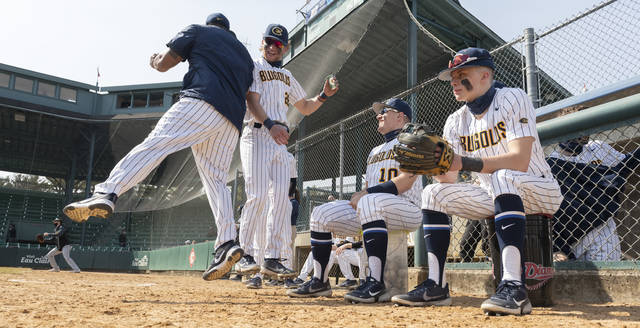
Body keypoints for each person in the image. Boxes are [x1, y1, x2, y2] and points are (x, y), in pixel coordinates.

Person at [62, 13, 254, 281]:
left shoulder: (198, 31)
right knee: (216, 181)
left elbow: (166, 63)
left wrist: (154, 62)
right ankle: (227, 243)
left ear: (212, 24)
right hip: (231, 122)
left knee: (155, 145)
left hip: (200, 102)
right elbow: (249, 93)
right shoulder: (245, 56)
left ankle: (107, 192)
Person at [391, 48, 563, 316]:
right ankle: (436, 285)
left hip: (538, 188)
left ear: (485, 75)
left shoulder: (512, 97)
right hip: (494, 194)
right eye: (452, 78)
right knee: (433, 193)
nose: (454, 82)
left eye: (462, 75)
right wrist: (432, 164)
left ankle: (514, 287)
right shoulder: (455, 121)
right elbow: (448, 179)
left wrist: (465, 163)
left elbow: (519, 160)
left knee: (504, 176)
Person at [288, 98, 422, 303]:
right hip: (374, 210)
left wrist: (366, 195)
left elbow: (406, 181)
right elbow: (368, 189)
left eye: (385, 111)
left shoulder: (412, 140)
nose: (379, 115)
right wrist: (361, 195)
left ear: (401, 116)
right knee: (320, 214)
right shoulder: (374, 152)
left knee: (370, 201)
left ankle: (375, 282)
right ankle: (320, 281)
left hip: (406, 207)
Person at [237, 23, 339, 289]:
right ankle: (245, 253)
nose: (273, 47)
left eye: (278, 44)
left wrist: (324, 96)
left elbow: (304, 106)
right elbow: (252, 100)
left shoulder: (287, 75)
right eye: (269, 42)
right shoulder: (255, 67)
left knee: (282, 202)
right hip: (258, 133)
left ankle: (272, 257)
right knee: (257, 195)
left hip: (278, 141)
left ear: (286, 48)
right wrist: (271, 125)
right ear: (262, 43)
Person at [547, 108, 640, 261]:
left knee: (609, 278)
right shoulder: (551, 163)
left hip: (602, 227)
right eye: (579, 129)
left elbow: (624, 166)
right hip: (571, 234)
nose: (584, 134)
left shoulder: (597, 148)